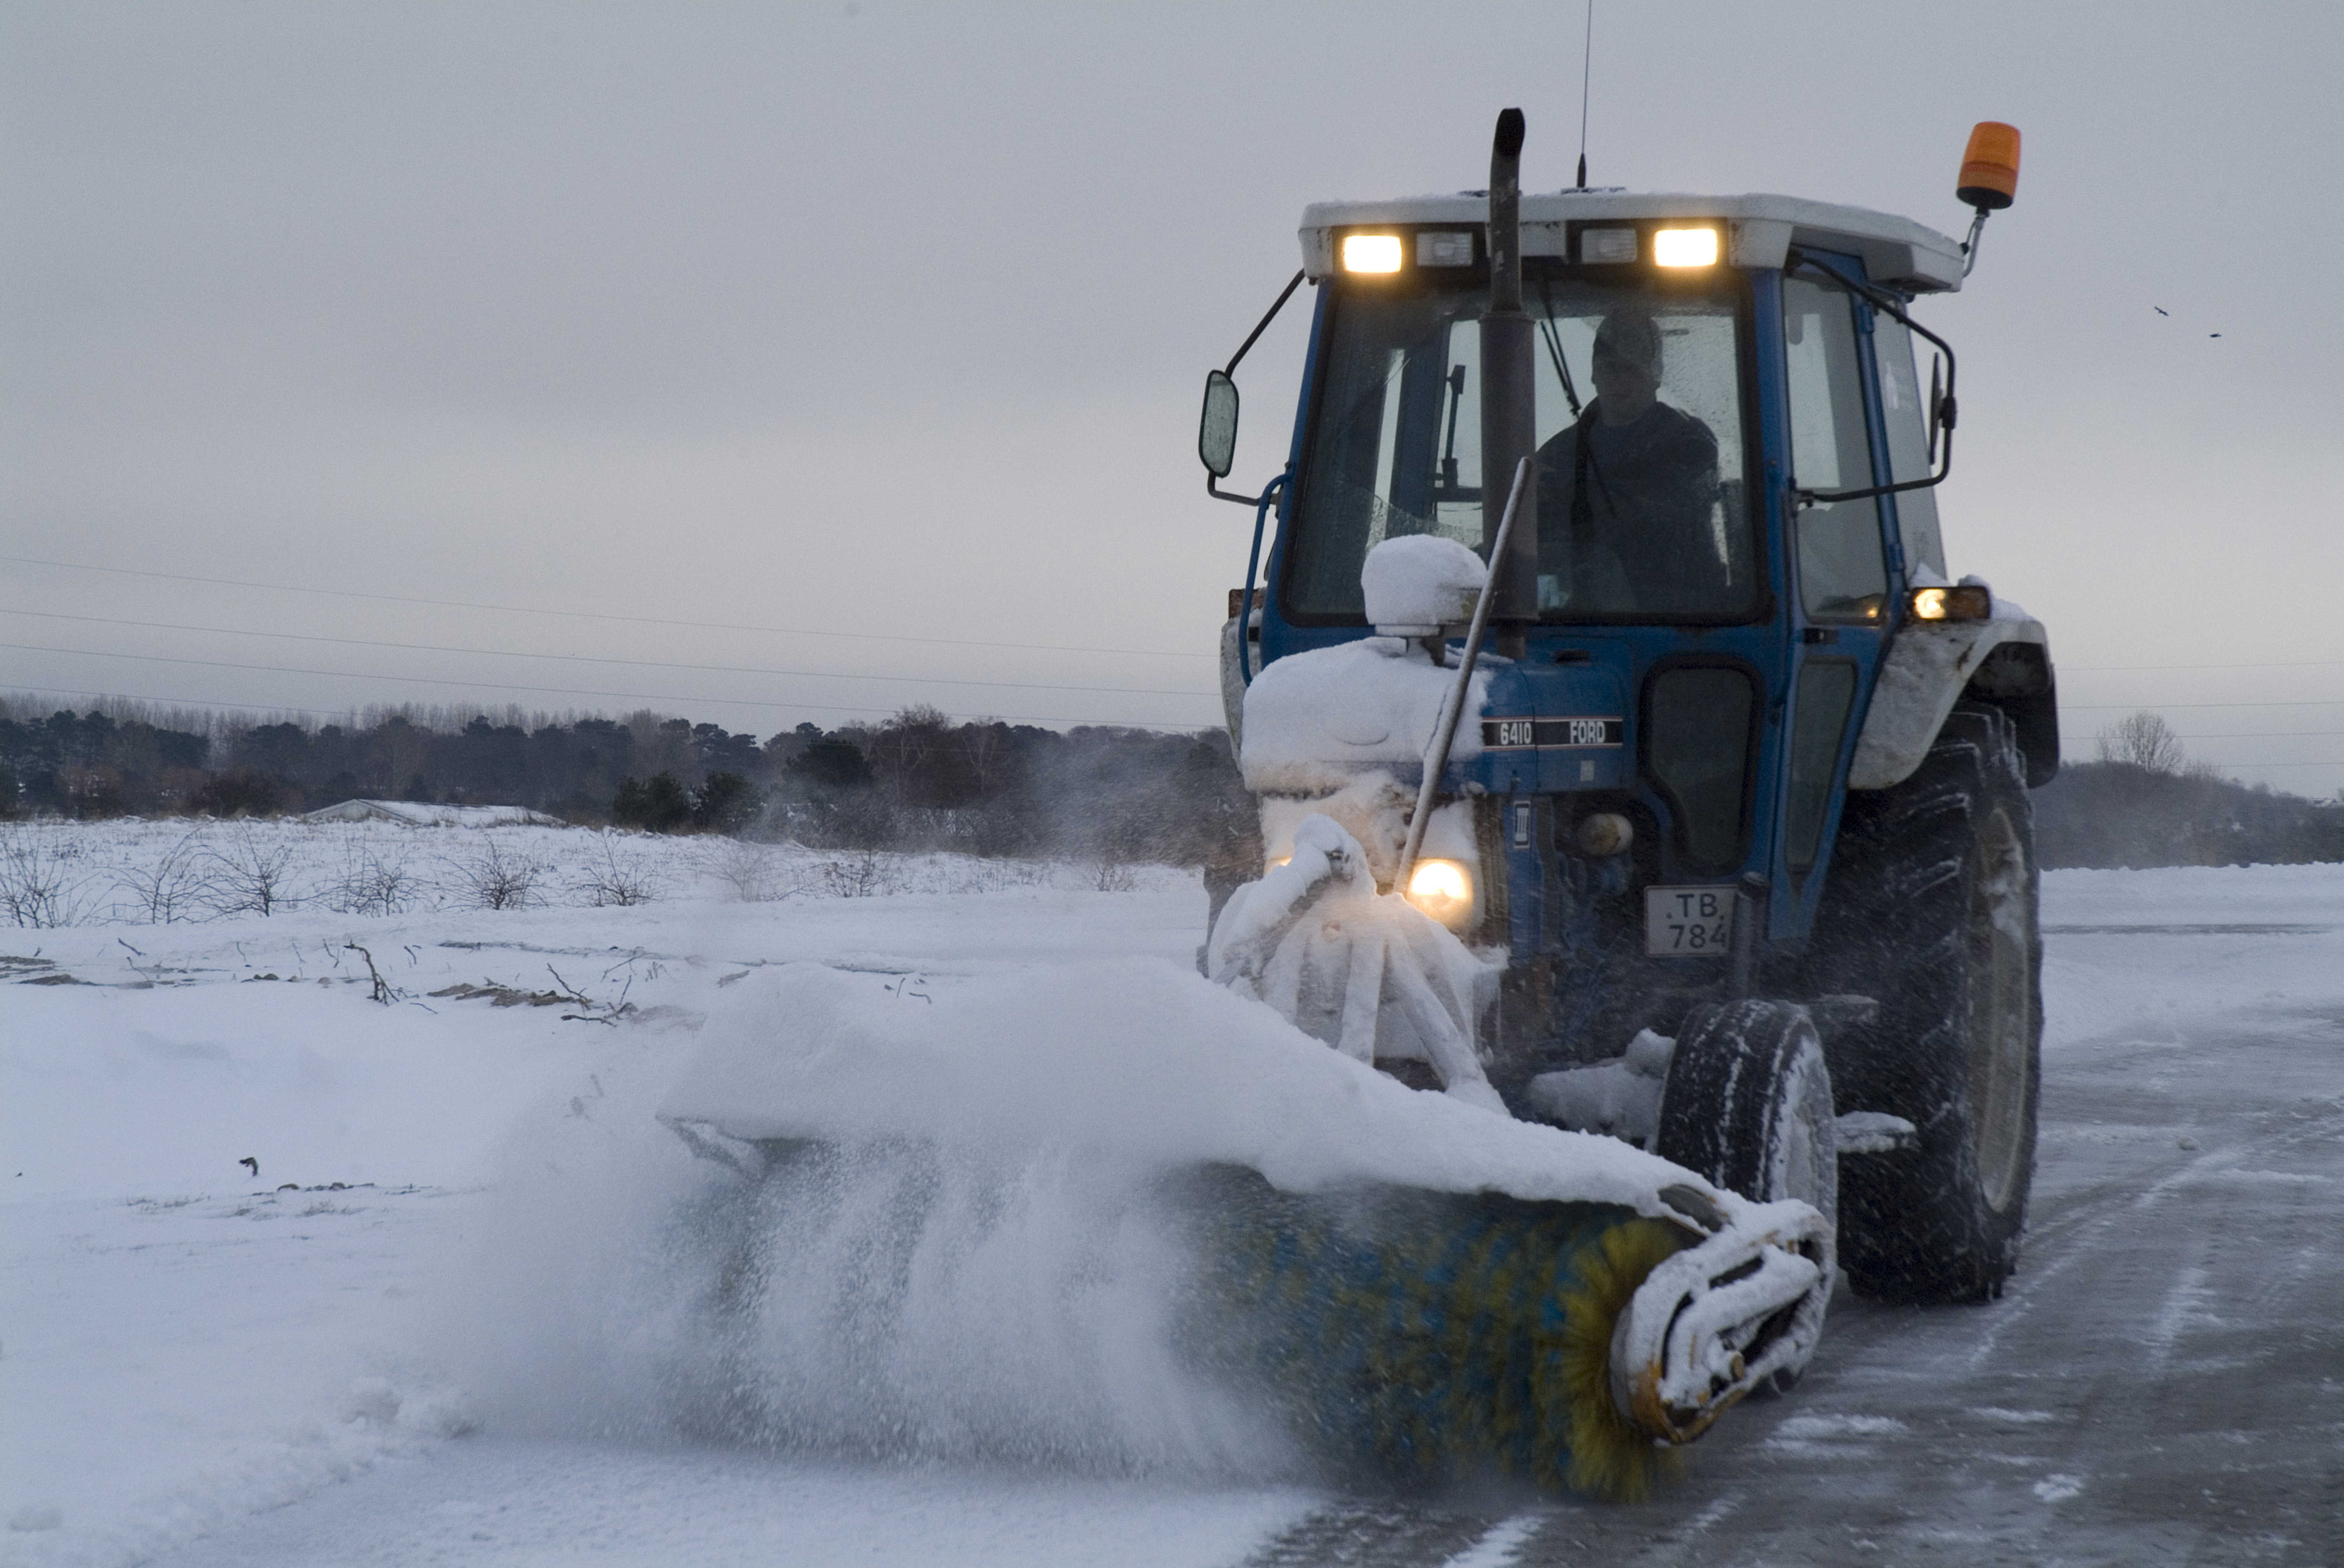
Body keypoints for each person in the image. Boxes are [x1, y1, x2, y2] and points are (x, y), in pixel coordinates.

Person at [1533, 309, 1729, 614]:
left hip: (1675, 614)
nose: (1619, 380)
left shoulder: (1688, 445)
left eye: (1632, 370)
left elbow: (1650, 517)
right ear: (1594, 374)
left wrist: (1559, 490)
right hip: (1574, 615)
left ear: (1656, 374)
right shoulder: (1559, 451)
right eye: (1609, 369)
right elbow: (1535, 534)